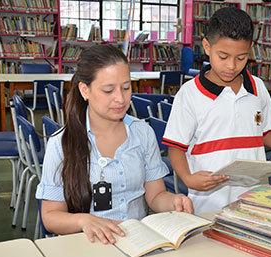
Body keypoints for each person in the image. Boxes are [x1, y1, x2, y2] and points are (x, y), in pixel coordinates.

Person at [36, 45, 193, 244]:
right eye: (108, 90)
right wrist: (84, 220)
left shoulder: (142, 133)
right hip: (87, 245)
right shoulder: (62, 143)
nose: (120, 98)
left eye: (126, 87)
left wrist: (174, 201)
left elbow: (156, 196)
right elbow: (50, 216)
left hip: (137, 243)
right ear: (85, 90)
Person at [162, 7, 271, 214]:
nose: (231, 66)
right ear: (207, 47)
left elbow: (267, 135)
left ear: (250, 50)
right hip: (209, 203)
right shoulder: (189, 94)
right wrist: (188, 178)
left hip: (255, 198)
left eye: (241, 58)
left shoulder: (257, 88)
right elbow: (176, 148)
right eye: (223, 56)